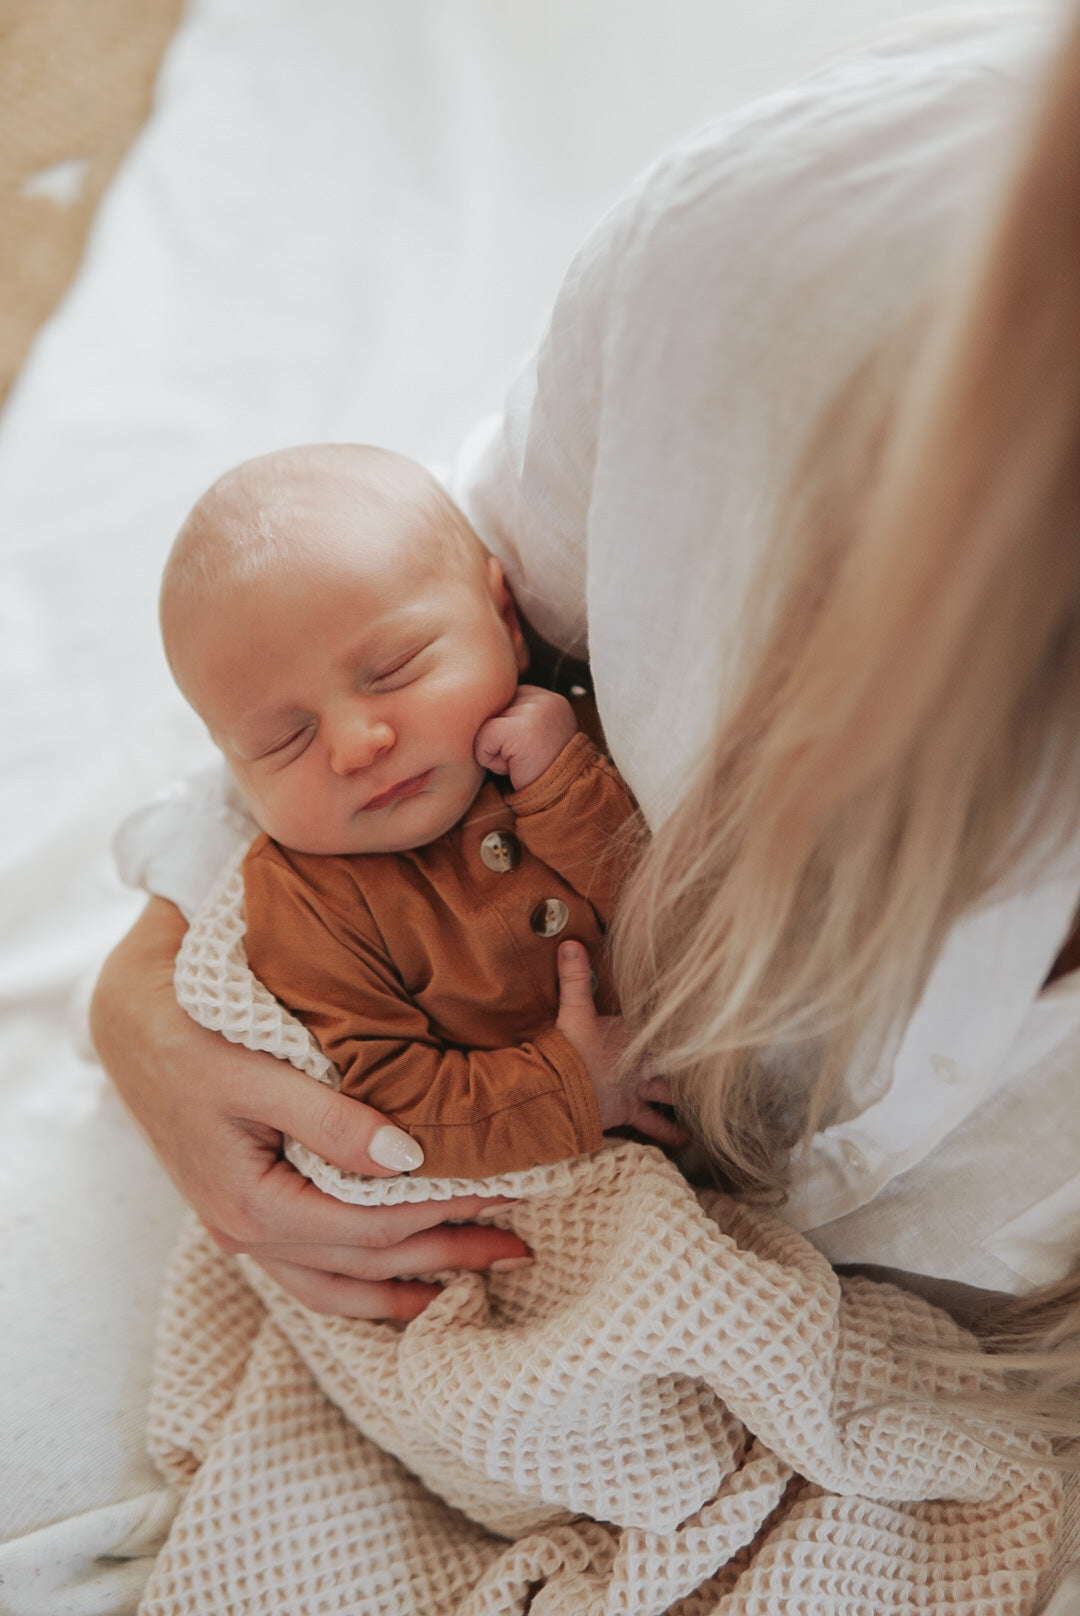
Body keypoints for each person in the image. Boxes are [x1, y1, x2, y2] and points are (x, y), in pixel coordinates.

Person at [90, 1, 1080, 1476]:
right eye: (286, 741)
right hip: (544, 1169)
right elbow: (398, 581)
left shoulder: (527, 731)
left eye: (387, 684)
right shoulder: (772, 264)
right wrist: (147, 1002)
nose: (359, 745)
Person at [158, 441, 681, 1177]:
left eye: (395, 669)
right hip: (564, 1180)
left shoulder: (591, 730)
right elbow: (386, 1105)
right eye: (284, 741)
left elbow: (694, 906)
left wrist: (566, 787)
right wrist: (576, 1088)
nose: (355, 746)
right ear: (232, 767)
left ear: (502, 617)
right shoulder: (305, 901)